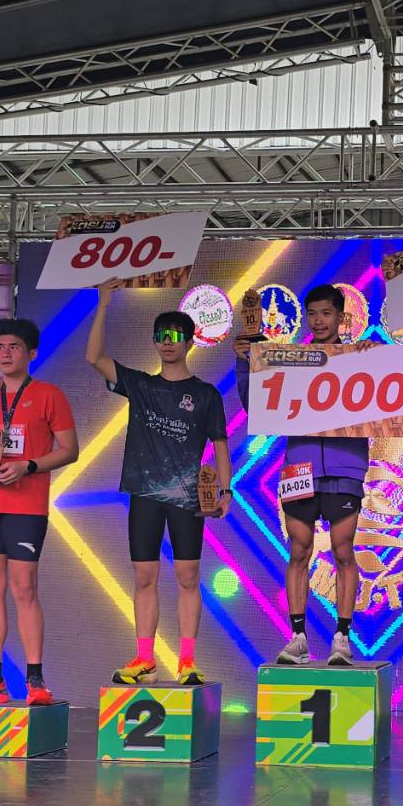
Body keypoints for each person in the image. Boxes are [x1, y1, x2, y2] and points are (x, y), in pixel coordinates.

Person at [86, 290, 231, 686]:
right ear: (154, 342)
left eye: (175, 336)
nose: (167, 343)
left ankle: (187, 662)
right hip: (145, 495)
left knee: (187, 575)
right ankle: (145, 659)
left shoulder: (205, 394)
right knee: (144, 576)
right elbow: (94, 358)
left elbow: (220, 443)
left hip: (187, 499)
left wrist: (226, 491)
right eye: (161, 336)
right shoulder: (141, 385)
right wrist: (103, 304)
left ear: (189, 343)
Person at [235, 284, 375, 666]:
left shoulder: (361, 358)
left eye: (326, 313)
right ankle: (297, 638)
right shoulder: (289, 361)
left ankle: (342, 638)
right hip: (300, 467)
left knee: (343, 549)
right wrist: (244, 362)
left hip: (345, 467)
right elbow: (254, 403)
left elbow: (388, 402)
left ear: (341, 317)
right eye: (312, 314)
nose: (318, 320)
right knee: (298, 549)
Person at [0, 318, 81, 706]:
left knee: (24, 587)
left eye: (14, 347)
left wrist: (28, 466)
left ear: (31, 353)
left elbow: (70, 450)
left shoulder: (49, 395)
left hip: (26, 505)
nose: (5, 354)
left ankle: (35, 679)